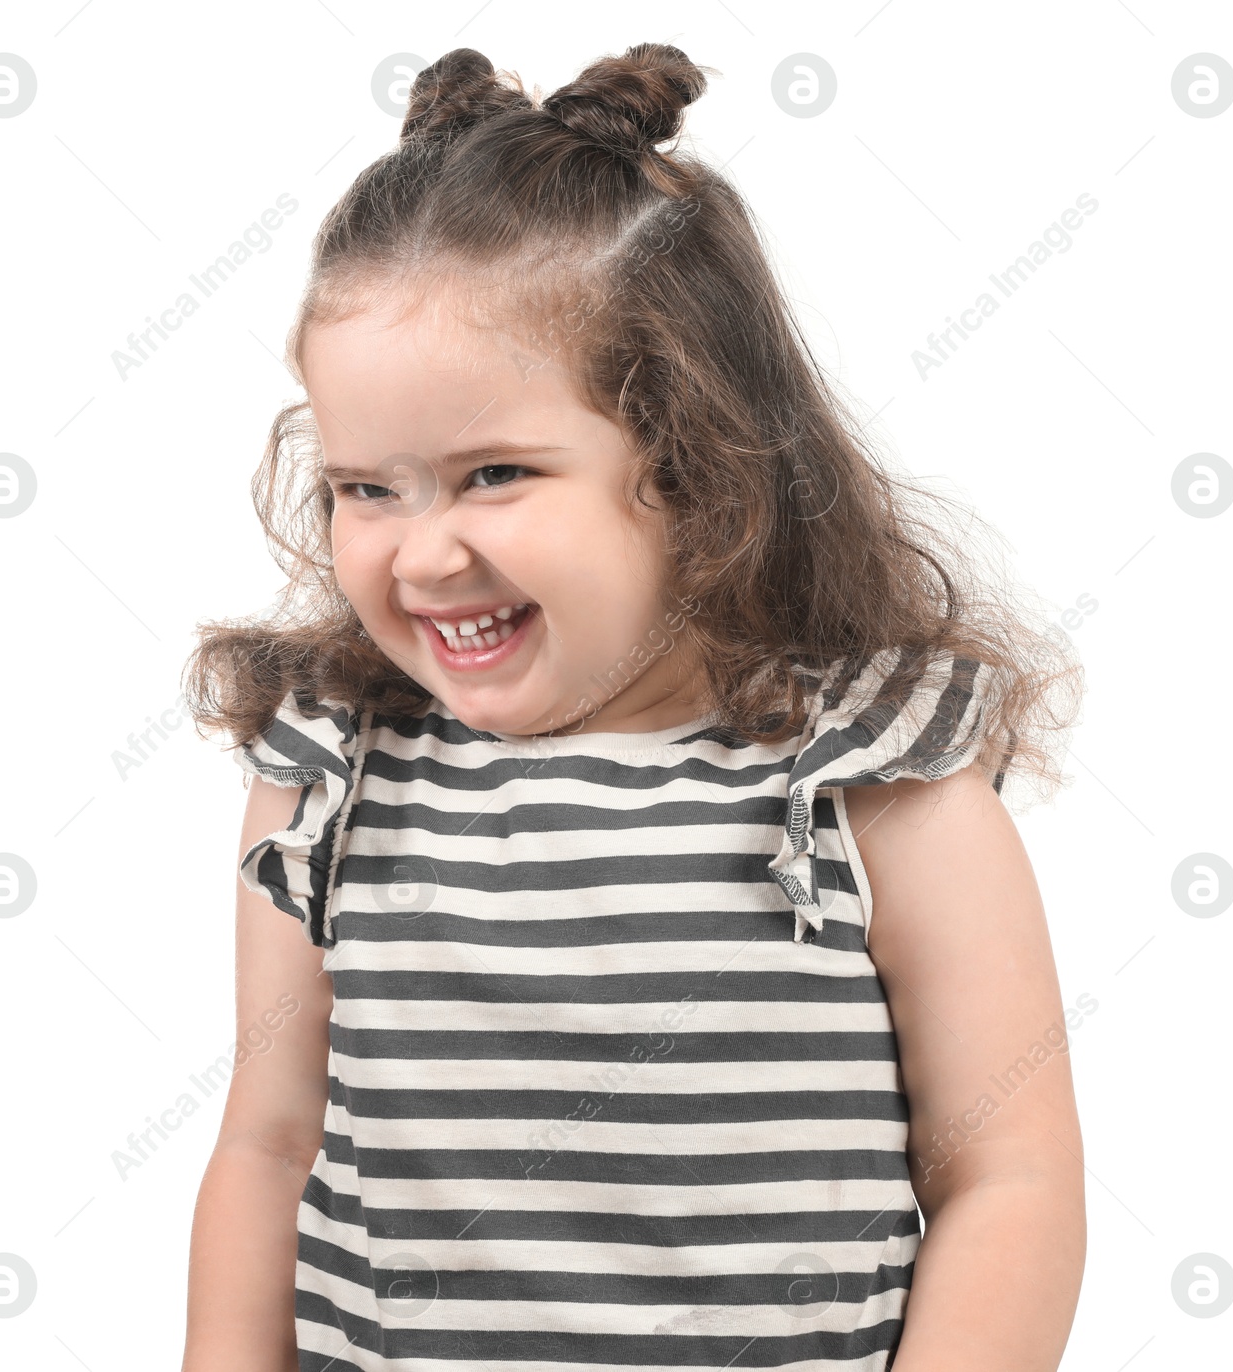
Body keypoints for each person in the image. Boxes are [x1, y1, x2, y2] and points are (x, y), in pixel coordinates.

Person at [180, 42, 1086, 1372]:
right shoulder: (333, 768)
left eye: (493, 474)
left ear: (692, 463)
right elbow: (269, 1141)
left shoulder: (869, 774)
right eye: (367, 487)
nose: (418, 556)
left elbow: (1010, 1179)